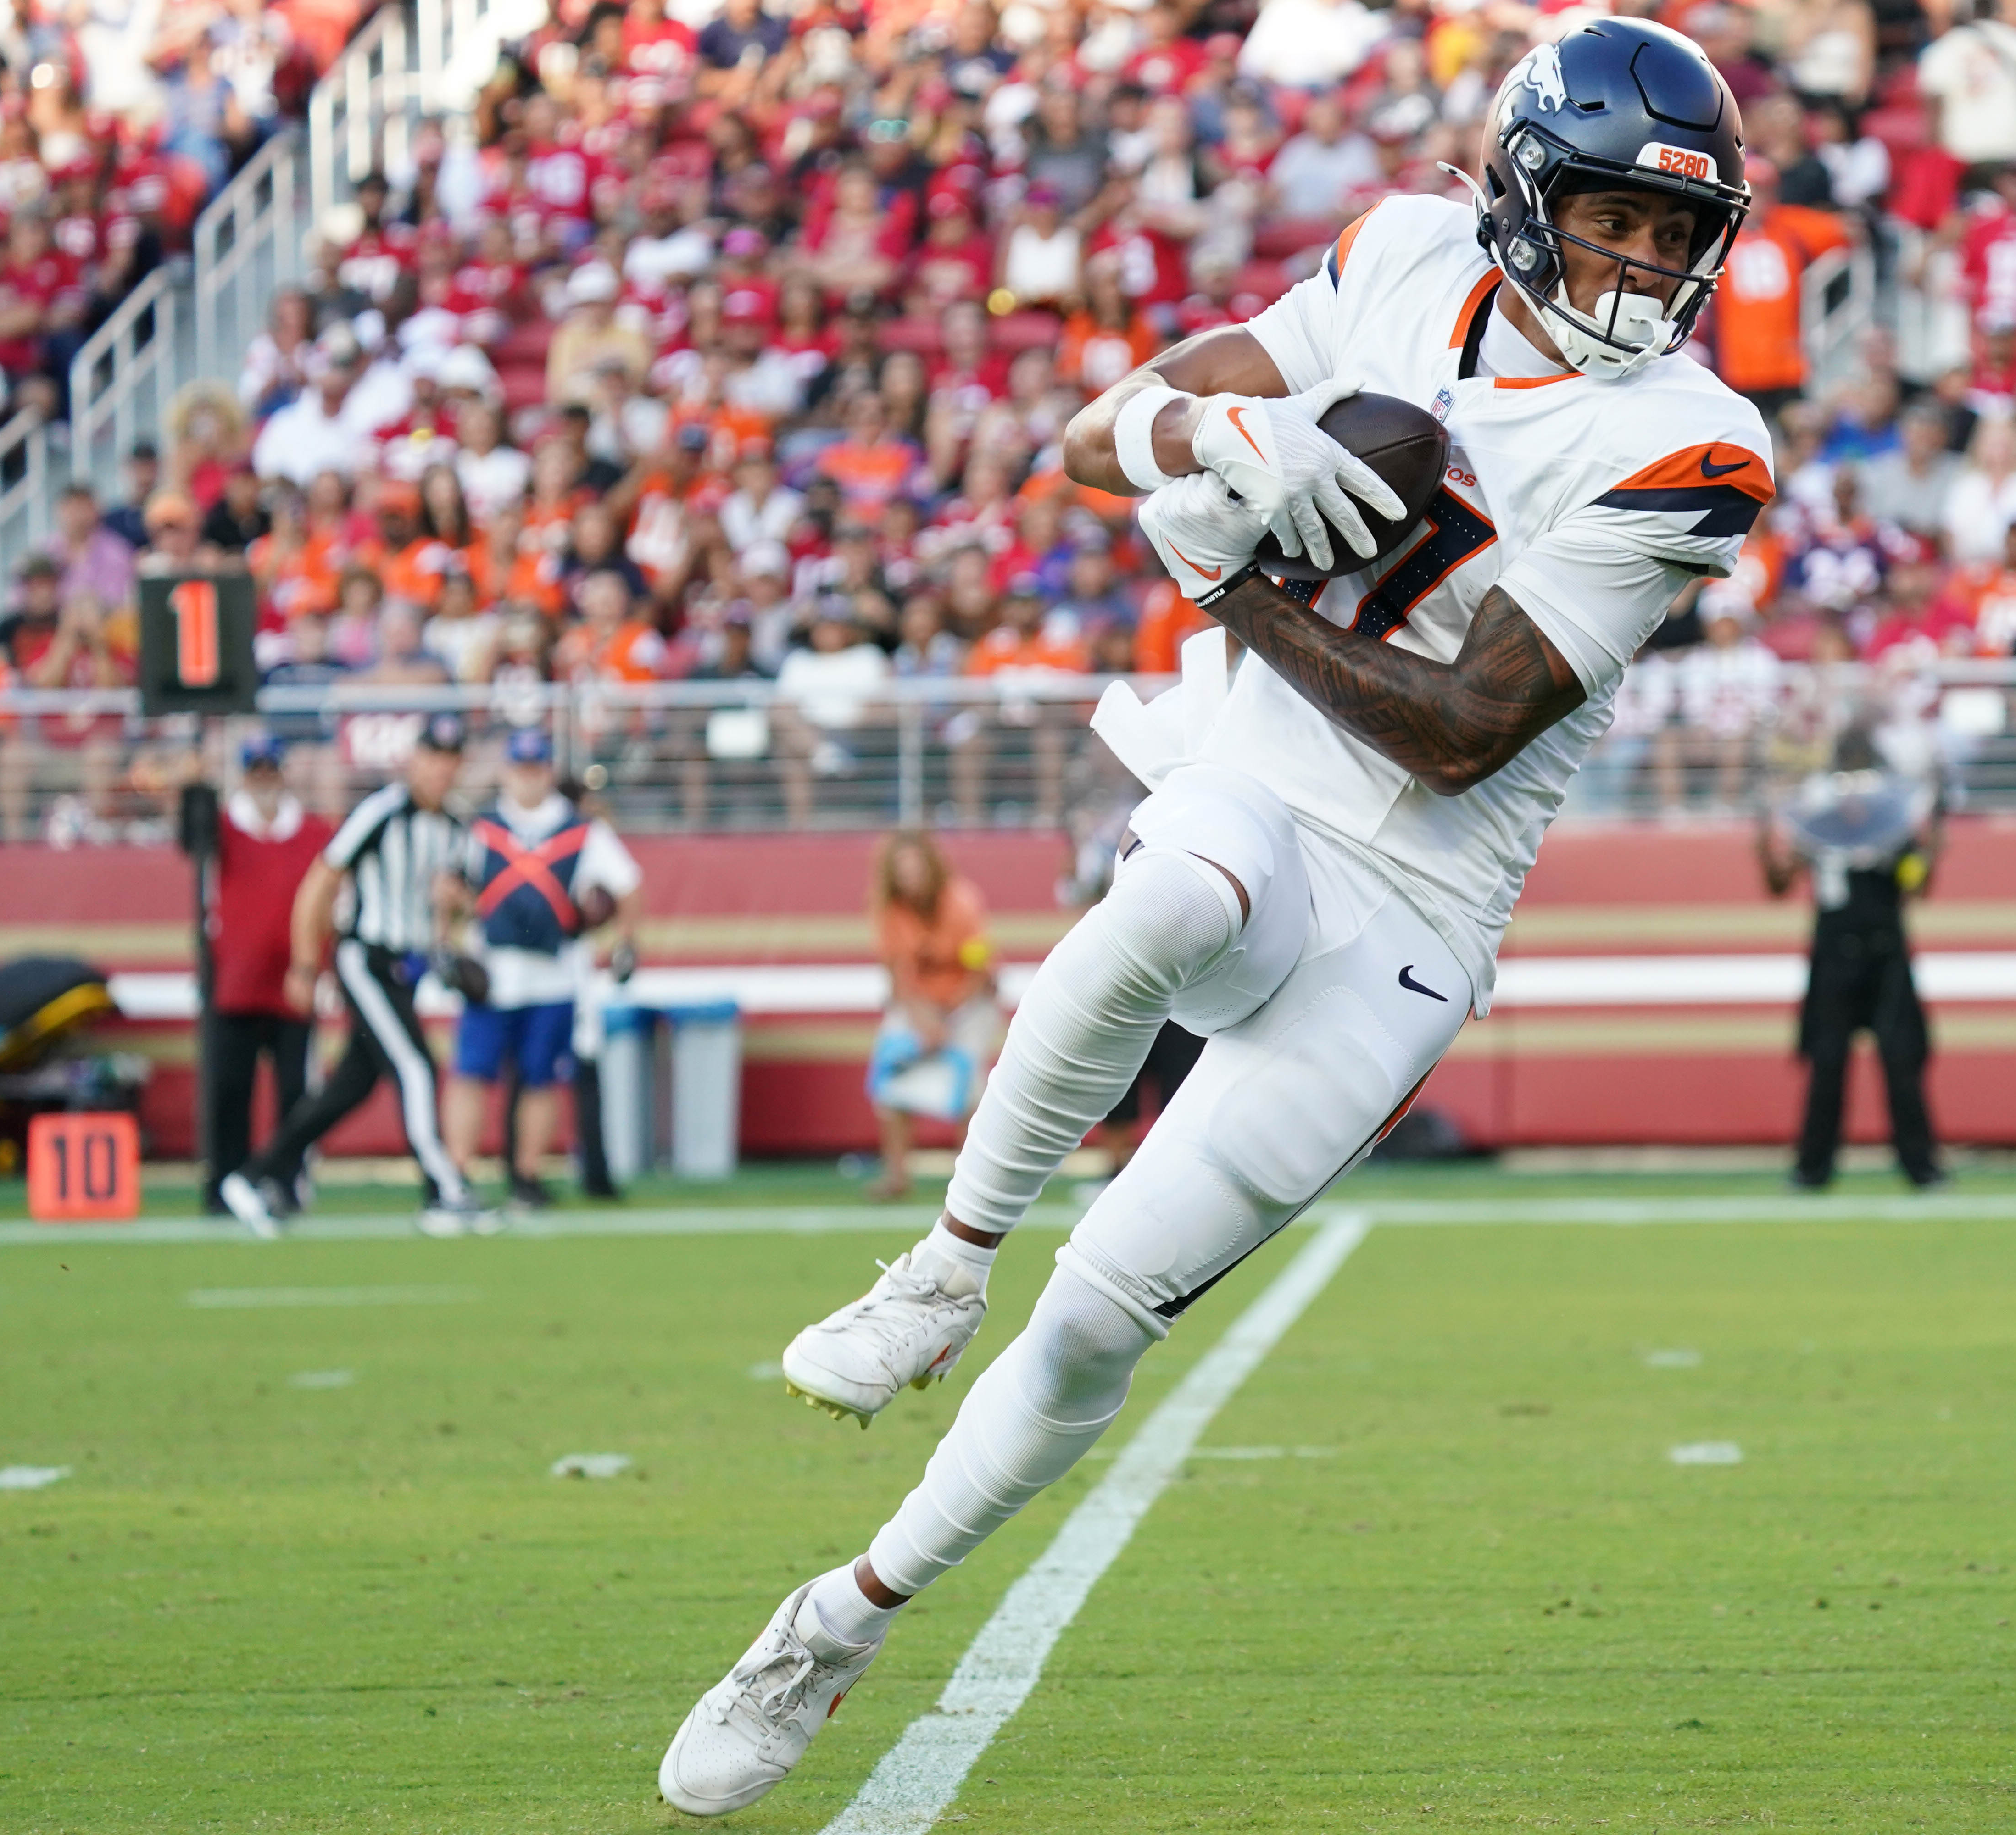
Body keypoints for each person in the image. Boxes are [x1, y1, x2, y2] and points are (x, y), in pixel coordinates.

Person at [656, 22, 1771, 1815]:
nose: (1644, 262)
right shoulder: (1402, 257)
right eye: (1614, 217)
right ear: (1522, 192)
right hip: (1252, 788)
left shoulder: (1692, 441)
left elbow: (1463, 728)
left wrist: (1228, 585)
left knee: (1098, 1323)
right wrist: (1210, 428)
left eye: (1674, 233)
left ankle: (836, 1622)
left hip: (1415, 905)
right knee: (1178, 886)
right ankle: (941, 1263)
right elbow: (1088, 436)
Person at [217, 716, 492, 1238]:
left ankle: (253, 1177)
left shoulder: (459, 828)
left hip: (406, 968)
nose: (440, 769)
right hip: (366, 960)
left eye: (450, 760)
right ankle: (445, 1191)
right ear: (415, 760)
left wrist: (454, 910)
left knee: (348, 1089)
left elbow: (458, 907)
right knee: (416, 1067)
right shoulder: (382, 813)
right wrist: (306, 964)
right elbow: (321, 883)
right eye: (433, 757)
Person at [441, 727, 643, 1211]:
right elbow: (448, 887)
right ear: (507, 771)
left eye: (536, 769)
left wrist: (624, 942)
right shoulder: (481, 828)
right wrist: (447, 942)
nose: (528, 778)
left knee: (541, 1078)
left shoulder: (581, 830)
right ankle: (455, 1174)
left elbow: (628, 885)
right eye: (521, 768)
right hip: (492, 970)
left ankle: (527, 1175)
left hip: (555, 971)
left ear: (548, 772)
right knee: (472, 1073)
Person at [1757, 727, 1942, 1189]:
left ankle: (1922, 1168)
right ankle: (1812, 1170)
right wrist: (1763, 835)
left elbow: (1917, 884)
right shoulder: (1819, 824)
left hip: (1886, 951)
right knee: (1827, 1064)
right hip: (1834, 954)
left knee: (1901, 1062)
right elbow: (1780, 882)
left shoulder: (1893, 826)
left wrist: (1933, 839)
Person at [203, 734, 334, 1224]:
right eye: (254, 768)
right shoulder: (223, 829)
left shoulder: (313, 832)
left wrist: (319, 967)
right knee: (229, 1089)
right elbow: (189, 834)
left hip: (294, 982)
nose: (263, 776)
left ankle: (285, 1181)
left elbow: (329, 905)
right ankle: (226, 1183)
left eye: (269, 767)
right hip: (238, 981)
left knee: (296, 1092)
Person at [862, 830, 1002, 1202]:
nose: (910, 877)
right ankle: (896, 1176)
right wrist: (925, 1022)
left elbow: (980, 969)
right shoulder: (889, 910)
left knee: (970, 1090)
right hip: (917, 1007)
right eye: (902, 870)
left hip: (969, 1005)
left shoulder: (962, 902)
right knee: (890, 1084)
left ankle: (971, 1183)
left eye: (916, 868)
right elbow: (897, 976)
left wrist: (947, 1018)